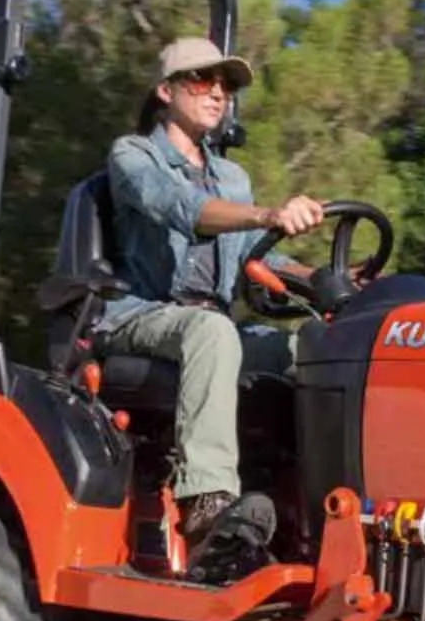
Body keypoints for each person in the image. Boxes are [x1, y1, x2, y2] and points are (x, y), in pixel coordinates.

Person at [96, 36, 324, 542]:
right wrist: (268, 214)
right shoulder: (132, 156)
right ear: (165, 90)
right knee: (213, 333)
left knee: (308, 351)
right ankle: (208, 501)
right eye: (202, 80)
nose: (217, 93)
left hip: (211, 321)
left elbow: (257, 259)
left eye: (226, 85)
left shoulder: (231, 177)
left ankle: (312, 507)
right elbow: (178, 208)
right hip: (141, 316)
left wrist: (332, 279)